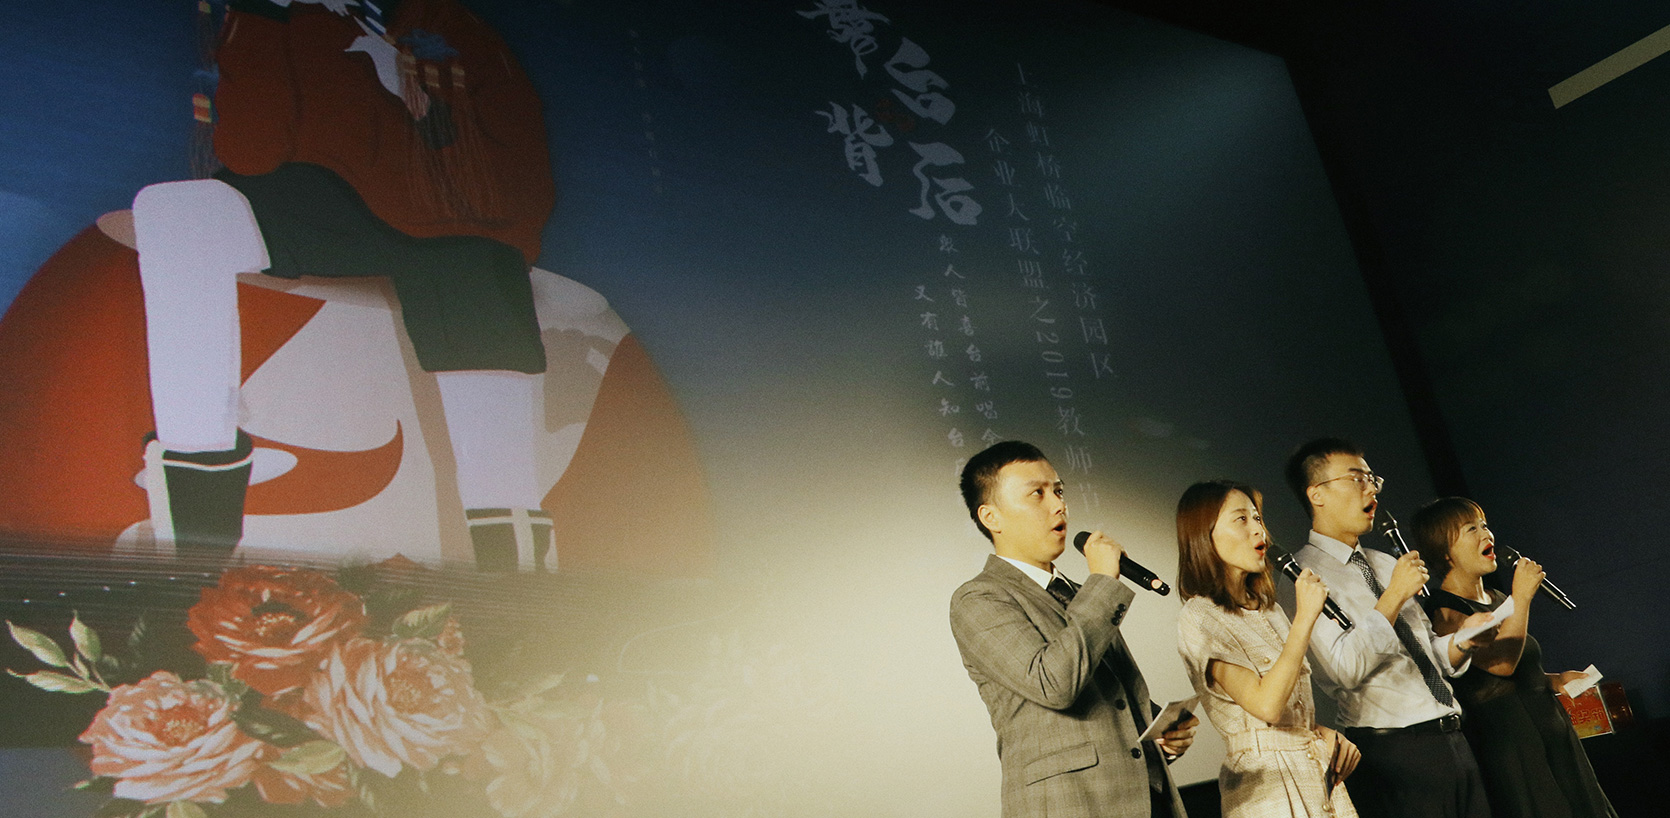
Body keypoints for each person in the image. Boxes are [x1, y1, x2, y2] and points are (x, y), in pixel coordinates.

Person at [130, 0, 559, 568]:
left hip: (453, 215)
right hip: (327, 205)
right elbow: (250, 154)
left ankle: (515, 570)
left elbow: (521, 169)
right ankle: (195, 543)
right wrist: (263, 21)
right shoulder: (282, 19)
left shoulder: (448, 27)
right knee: (175, 211)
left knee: (475, 284)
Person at [949, 441, 1197, 818]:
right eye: (1037, 494)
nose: (1058, 505)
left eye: (1059, 491)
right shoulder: (979, 598)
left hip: (1148, 802)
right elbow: (1054, 684)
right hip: (1071, 805)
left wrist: (1160, 735)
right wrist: (1103, 581)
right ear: (991, 517)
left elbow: (1109, 700)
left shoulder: (1082, 594)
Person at [1280, 438, 1495, 818]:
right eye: (1357, 479)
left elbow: (1428, 654)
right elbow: (1344, 669)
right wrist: (1393, 596)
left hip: (1452, 738)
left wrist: (1464, 640)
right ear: (1317, 494)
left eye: (1372, 479)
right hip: (1394, 754)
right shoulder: (1303, 577)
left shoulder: (1383, 562)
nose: (1372, 489)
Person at [1412, 498, 1617, 818]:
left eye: (1484, 525)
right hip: (1515, 747)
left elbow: (1519, 668)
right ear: (1445, 551)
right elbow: (1500, 665)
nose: (1486, 534)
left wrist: (1555, 680)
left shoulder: (1497, 598)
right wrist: (1521, 597)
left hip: (1551, 730)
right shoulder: (1444, 611)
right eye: (1471, 529)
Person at [1174, 480, 1360, 818]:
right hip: (1266, 788)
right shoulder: (1200, 615)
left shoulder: (1267, 608)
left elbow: (1288, 704)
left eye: (1258, 518)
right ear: (1205, 535)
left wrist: (1319, 733)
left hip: (1314, 773)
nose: (1259, 529)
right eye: (1241, 519)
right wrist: (1305, 618)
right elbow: (1266, 706)